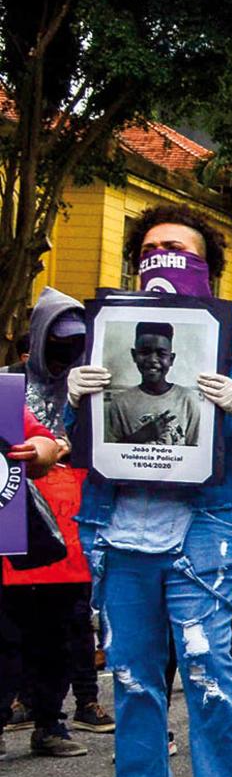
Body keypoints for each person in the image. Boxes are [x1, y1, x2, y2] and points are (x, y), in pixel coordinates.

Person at [63, 205, 232, 777]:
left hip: (211, 517)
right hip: (122, 518)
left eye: (179, 250)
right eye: (154, 249)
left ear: (208, 271)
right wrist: (75, 398)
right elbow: (67, 437)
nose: (165, 259)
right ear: (138, 265)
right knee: (133, 667)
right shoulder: (104, 332)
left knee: (206, 659)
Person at [1, 287, 109, 739]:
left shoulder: (90, 388)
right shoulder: (7, 386)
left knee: (63, 637)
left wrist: (52, 446)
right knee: (9, 639)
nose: (66, 350)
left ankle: (53, 720)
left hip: (72, 536)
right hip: (13, 533)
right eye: (59, 339)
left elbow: (45, 442)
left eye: (75, 340)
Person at [0, 380, 84, 759]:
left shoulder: (2, 399)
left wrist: (38, 451)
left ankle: (49, 723)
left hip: (17, 545)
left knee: (45, 640)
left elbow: (44, 443)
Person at [103, 323, 202, 446]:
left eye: (161, 354)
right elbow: (110, 453)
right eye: (145, 352)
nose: (153, 360)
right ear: (134, 355)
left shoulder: (188, 400)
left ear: (171, 359)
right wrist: (140, 436)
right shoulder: (120, 403)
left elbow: (195, 451)